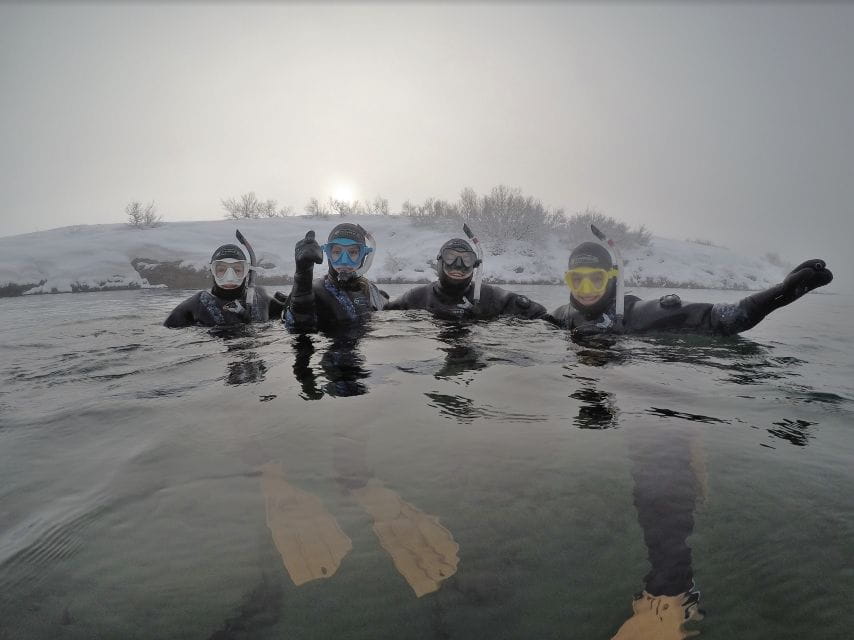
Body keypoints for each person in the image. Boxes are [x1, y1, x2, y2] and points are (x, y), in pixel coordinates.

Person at [550, 240, 833, 337]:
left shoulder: (635, 314)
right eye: (577, 280)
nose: (586, 289)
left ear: (611, 278)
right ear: (568, 280)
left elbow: (715, 318)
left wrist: (777, 296)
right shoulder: (562, 317)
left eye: (595, 279)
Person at [385, 237, 548, 321]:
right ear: (440, 261)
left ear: (475, 265)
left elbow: (540, 315)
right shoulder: (416, 297)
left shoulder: (490, 297)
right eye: (451, 257)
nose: (458, 265)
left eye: (467, 259)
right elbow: (383, 315)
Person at [284, 224, 387, 332]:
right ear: (328, 254)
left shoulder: (370, 289)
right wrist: (302, 275)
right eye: (337, 252)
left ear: (363, 256)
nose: (344, 261)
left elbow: (387, 310)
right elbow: (297, 331)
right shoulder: (313, 290)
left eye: (352, 252)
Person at [164, 242, 287, 328]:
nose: (230, 278)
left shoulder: (261, 298)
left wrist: (301, 281)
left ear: (246, 272)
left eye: (237, 270)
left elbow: (296, 318)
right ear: (212, 271)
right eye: (222, 270)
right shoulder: (193, 307)